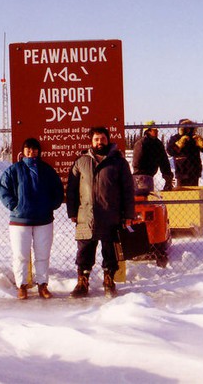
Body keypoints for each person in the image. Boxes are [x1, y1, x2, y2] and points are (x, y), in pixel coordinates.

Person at [66, 126, 135, 298]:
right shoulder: (81, 161)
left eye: (102, 139)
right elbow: (72, 189)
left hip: (110, 216)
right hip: (86, 216)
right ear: (91, 141)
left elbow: (128, 190)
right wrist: (72, 211)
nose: (99, 142)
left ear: (108, 139)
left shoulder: (119, 162)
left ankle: (108, 280)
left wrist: (128, 215)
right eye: (96, 139)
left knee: (110, 251)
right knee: (84, 252)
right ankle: (83, 281)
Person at [0, 138, 64, 300]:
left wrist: (52, 205)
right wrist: (14, 206)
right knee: (21, 254)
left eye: (35, 149)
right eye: (28, 149)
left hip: (44, 220)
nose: (32, 152)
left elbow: (58, 189)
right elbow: (3, 190)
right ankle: (22, 285)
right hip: (20, 221)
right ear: (23, 151)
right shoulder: (14, 170)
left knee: (42, 254)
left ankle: (42, 285)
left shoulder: (47, 170)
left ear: (39, 151)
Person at [166, 118, 203, 187]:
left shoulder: (194, 138)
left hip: (194, 172)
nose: (188, 129)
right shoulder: (175, 138)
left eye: (189, 127)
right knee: (182, 194)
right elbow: (170, 151)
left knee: (194, 194)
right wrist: (178, 144)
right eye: (186, 127)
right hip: (181, 171)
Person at [132, 120, 174, 192]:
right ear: (148, 131)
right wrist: (140, 177)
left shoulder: (158, 144)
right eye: (154, 129)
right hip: (141, 177)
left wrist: (168, 178)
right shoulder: (141, 144)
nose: (157, 131)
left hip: (150, 176)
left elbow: (164, 162)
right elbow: (137, 163)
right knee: (143, 199)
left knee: (148, 199)